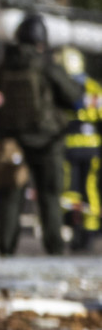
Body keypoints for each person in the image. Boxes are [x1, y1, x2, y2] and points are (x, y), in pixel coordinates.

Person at [0, 15, 81, 256]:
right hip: (48, 143)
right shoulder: (46, 65)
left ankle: (6, 249)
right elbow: (73, 96)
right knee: (50, 197)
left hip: (13, 144)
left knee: (11, 196)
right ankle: (55, 248)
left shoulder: (3, 66)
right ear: (41, 40)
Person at [63, 48, 102, 249]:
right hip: (90, 148)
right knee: (89, 189)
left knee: (72, 189)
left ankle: (74, 226)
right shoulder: (93, 87)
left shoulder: (63, 85)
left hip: (70, 148)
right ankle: (89, 229)